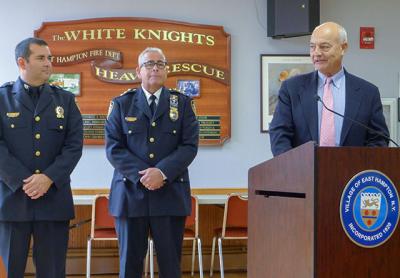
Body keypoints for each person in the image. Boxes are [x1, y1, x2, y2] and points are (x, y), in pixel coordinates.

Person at [105, 47, 199, 278]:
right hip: (129, 194)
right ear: (138, 71)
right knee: (129, 266)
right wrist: (143, 176)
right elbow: (113, 148)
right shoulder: (121, 104)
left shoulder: (183, 103)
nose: (155, 67)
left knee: (170, 266)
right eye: (149, 64)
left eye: (160, 63)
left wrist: (162, 172)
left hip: (169, 194)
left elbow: (189, 145)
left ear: (166, 71)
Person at [0, 37, 83, 277]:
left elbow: (73, 145)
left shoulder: (65, 100)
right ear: (22, 62)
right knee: (10, 269)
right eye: (41, 58)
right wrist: (24, 180)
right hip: (13, 199)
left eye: (49, 58)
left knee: (53, 271)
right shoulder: (2, 99)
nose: (48, 63)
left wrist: (47, 178)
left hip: (53, 199)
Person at [269, 22, 389, 156]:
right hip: (303, 173)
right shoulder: (292, 89)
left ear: (343, 48)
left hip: (352, 174)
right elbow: (279, 135)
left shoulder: (368, 93)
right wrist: (293, 167)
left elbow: (378, 140)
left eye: (324, 47)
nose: (316, 53)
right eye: (312, 47)